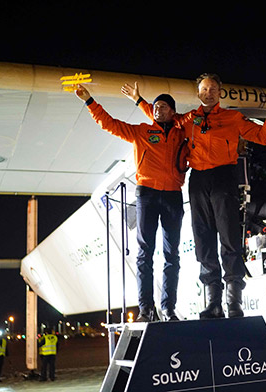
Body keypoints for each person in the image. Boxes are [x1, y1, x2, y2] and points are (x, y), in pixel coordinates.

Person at [124, 74, 266, 319]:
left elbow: (263, 136)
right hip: (197, 181)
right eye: (204, 89)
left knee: (229, 239)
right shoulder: (190, 118)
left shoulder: (233, 118)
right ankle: (213, 304)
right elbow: (163, 117)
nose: (208, 92)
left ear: (219, 93)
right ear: (198, 94)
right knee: (203, 240)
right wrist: (139, 101)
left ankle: (234, 303)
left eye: (213, 89)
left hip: (224, 179)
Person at [75, 84, 187, 322]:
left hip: (173, 196)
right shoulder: (142, 131)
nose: (157, 110)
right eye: (155, 106)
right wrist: (89, 101)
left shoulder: (182, 132)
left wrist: (140, 100)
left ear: (173, 111)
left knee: (172, 254)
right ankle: (146, 309)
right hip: (146, 194)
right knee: (144, 253)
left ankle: (168, 308)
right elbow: (110, 124)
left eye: (163, 106)